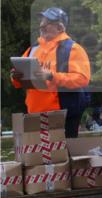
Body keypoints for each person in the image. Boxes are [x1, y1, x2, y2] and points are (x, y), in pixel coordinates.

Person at [9, 7, 91, 139]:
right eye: (42, 21)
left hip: (62, 116)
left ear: (59, 27)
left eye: (47, 22)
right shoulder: (32, 49)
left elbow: (82, 79)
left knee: (61, 157)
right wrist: (15, 77)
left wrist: (51, 76)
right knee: (39, 157)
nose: (41, 25)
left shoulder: (73, 49)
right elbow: (18, 77)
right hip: (34, 115)